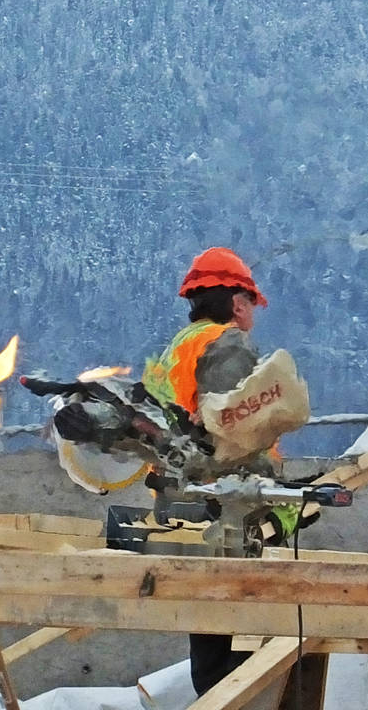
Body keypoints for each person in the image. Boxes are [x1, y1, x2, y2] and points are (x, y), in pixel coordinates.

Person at [142, 246, 273, 696]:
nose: (253, 313)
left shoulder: (178, 348)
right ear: (238, 302)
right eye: (250, 303)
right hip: (224, 513)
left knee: (211, 639)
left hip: (180, 505)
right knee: (241, 657)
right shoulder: (228, 342)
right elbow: (232, 432)